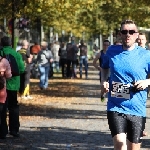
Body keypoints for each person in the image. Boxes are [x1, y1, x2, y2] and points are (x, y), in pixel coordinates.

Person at [103, 20, 150, 150]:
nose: (127, 35)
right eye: (124, 32)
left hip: (137, 108)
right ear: (120, 34)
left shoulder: (146, 55)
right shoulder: (112, 51)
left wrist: (147, 81)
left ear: (136, 34)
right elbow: (105, 68)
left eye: (131, 32)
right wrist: (104, 81)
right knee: (120, 145)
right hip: (115, 106)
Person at [0, 36, 25, 139]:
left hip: (2, 85)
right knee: (13, 107)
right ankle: (14, 130)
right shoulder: (16, 54)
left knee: (2, 108)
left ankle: (3, 130)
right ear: (11, 43)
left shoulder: (1, 53)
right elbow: (22, 69)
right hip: (14, 84)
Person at [0, 56, 12, 124]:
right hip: (1, 91)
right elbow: (9, 76)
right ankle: (2, 132)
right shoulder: (4, 61)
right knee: (2, 113)